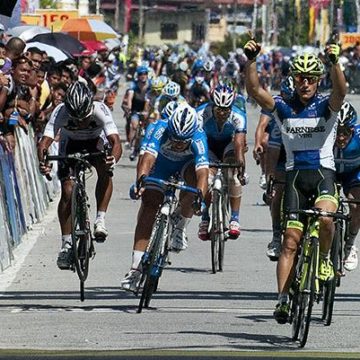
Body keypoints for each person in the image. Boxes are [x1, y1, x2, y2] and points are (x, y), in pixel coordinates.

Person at [244, 37, 346, 324]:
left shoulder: (327, 106)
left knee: (327, 219)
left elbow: (342, 90)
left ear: (317, 81)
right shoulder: (283, 107)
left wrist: (335, 63)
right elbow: (254, 90)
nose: (305, 84)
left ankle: (324, 261)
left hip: (323, 176)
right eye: (300, 78)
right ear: (294, 80)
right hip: (295, 180)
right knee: (290, 242)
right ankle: (283, 300)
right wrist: (251, 61)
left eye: (311, 79)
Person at [120, 104, 209, 292]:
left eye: (183, 141)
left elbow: (203, 173)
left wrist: (200, 197)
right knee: (149, 206)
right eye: (175, 139)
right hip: (161, 164)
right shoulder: (160, 128)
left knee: (195, 188)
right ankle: (135, 268)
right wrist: (140, 182)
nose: (178, 144)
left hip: (185, 166)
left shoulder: (199, 136)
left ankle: (180, 226)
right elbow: (147, 159)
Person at [37, 81, 122, 270]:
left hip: (95, 143)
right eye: (76, 119)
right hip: (70, 145)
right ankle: (66, 244)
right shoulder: (60, 111)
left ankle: (100, 219)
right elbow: (44, 143)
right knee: (67, 191)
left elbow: (115, 141)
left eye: (84, 118)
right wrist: (44, 163)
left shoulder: (100, 110)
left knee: (105, 169)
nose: (81, 122)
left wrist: (113, 160)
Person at [196, 84, 247, 240]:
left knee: (233, 177)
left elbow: (239, 144)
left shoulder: (238, 116)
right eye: (219, 109)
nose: (223, 113)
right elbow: (196, 141)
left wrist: (241, 170)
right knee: (207, 178)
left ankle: (235, 219)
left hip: (229, 145)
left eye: (226, 109)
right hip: (208, 144)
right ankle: (205, 217)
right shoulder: (201, 113)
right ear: (212, 106)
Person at [334, 101, 360, 271]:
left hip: (354, 173)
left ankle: (350, 244)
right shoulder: (325, 137)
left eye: (345, 133)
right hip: (332, 172)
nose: (341, 138)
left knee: (355, 204)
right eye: (337, 132)